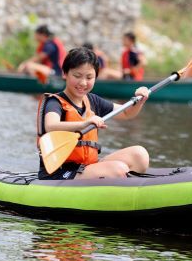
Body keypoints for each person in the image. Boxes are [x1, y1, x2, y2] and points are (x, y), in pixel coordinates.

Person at [36, 47, 150, 180]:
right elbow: (51, 125)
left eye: (89, 77)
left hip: (87, 167)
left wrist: (139, 101)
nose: (83, 83)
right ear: (65, 74)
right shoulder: (55, 103)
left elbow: (126, 113)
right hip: (59, 172)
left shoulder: (93, 100)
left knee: (140, 155)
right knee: (119, 170)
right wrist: (84, 123)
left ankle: (126, 191)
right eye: (77, 76)